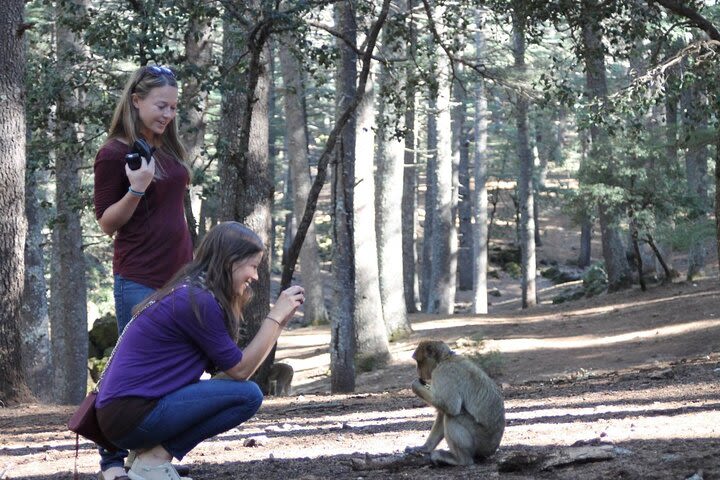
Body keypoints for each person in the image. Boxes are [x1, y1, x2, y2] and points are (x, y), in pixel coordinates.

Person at [96, 222, 305, 480]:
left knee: (242, 391)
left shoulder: (193, 293)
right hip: (131, 416)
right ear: (231, 261)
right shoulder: (197, 301)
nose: (256, 276)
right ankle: (151, 463)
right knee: (248, 396)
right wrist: (275, 318)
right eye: (253, 266)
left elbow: (236, 370)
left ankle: (147, 462)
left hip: (124, 414)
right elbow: (241, 371)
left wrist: (279, 322)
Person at [93, 65, 193, 480]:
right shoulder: (115, 153)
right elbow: (106, 222)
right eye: (160, 105)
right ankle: (111, 461)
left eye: (173, 107)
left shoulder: (167, 149)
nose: (168, 114)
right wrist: (137, 187)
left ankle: (149, 455)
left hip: (182, 277)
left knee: (179, 368)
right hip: (139, 277)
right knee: (128, 372)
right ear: (136, 100)